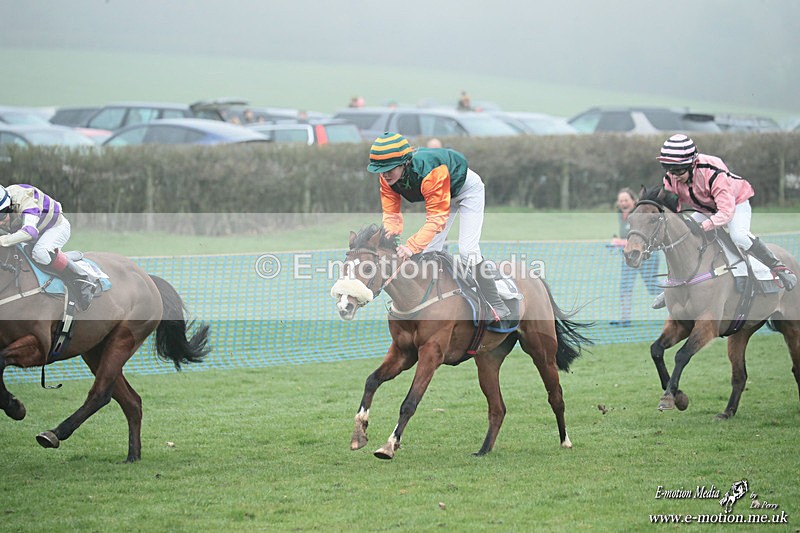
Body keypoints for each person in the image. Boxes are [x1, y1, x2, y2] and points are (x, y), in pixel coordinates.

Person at [366, 132, 510, 321]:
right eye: (380, 169)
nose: (385, 174)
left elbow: (437, 219)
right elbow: (391, 215)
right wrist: (390, 241)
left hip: (467, 191)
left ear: (404, 163)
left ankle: (497, 304)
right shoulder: (386, 179)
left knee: (467, 250)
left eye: (389, 169)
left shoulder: (430, 172)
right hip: (443, 195)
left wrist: (411, 247)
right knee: (429, 251)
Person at [651, 133, 796, 309]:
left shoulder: (713, 172)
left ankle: (779, 268)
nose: (674, 176)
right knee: (686, 235)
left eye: (679, 170)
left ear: (692, 164)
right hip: (706, 208)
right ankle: (675, 284)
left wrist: (705, 225)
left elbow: (726, 212)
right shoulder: (671, 177)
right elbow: (674, 206)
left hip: (735, 203)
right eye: (669, 169)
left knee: (739, 236)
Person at [0, 184, 99, 310]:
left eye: (1, 216)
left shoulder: (24, 200)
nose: (0, 222)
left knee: (40, 253)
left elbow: (30, 232)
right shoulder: (5, 206)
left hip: (55, 227)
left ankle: (82, 278)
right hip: (31, 230)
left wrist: (2, 240)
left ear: (10, 206)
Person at [609, 188, 661, 326]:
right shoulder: (621, 214)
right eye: (620, 201)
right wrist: (620, 241)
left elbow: (640, 238)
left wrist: (619, 242)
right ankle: (624, 318)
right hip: (630, 256)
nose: (623, 203)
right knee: (625, 286)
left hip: (647, 256)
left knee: (653, 287)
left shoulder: (640, 214)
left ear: (634, 201)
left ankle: (674, 290)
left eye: (626, 200)